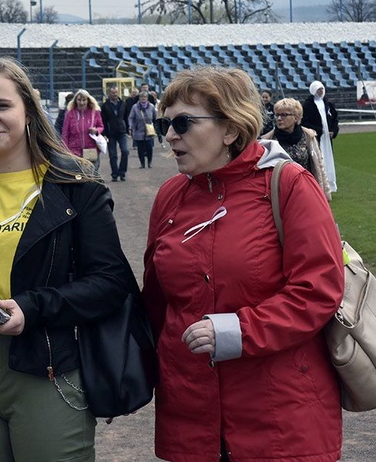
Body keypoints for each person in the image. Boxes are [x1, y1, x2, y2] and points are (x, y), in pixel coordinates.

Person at [0, 56, 138, 461]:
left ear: (27, 110)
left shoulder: (77, 185)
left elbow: (110, 283)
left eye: (1, 106)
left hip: (48, 362)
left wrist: (31, 306)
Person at [143, 66, 344, 461]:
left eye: (182, 122)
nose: (169, 135)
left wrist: (237, 331)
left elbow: (318, 290)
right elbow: (155, 302)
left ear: (231, 129)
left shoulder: (289, 185)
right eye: (163, 123)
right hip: (189, 415)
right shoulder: (170, 196)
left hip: (279, 414)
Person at [261, 97, 332, 201]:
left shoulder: (309, 136)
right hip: (279, 194)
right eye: (277, 115)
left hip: (305, 190)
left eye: (284, 115)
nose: (279, 118)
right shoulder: (268, 141)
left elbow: (319, 165)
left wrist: (325, 193)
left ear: (296, 117)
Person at [301, 81, 338, 192]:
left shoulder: (328, 104)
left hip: (327, 138)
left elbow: (334, 119)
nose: (321, 91)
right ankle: (318, 185)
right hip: (316, 137)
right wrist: (317, 130)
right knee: (317, 160)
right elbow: (305, 122)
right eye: (318, 89)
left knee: (328, 159)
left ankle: (329, 185)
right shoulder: (308, 105)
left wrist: (333, 131)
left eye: (322, 89)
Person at [61, 89, 104, 172]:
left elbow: (101, 126)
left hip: (91, 149)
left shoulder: (95, 112)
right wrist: (65, 149)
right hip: (74, 150)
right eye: (79, 100)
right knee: (78, 175)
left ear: (88, 100)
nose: (82, 103)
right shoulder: (70, 114)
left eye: (84, 100)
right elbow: (65, 133)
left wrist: (96, 130)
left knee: (92, 174)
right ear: (76, 100)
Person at [100, 85, 129, 181]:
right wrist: (104, 133)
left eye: (116, 92)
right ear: (109, 94)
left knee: (125, 151)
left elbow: (126, 117)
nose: (115, 94)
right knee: (113, 155)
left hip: (122, 131)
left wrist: (128, 129)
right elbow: (103, 120)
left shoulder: (123, 104)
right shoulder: (105, 106)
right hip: (110, 133)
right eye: (113, 92)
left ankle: (122, 172)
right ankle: (115, 174)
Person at [128, 90, 157, 168]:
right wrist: (131, 127)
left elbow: (155, 117)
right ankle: (142, 163)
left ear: (147, 98)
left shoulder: (151, 106)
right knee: (140, 149)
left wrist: (156, 126)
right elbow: (131, 117)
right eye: (141, 97)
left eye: (145, 97)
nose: (143, 98)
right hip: (138, 130)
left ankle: (149, 162)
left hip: (149, 130)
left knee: (149, 148)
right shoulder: (135, 107)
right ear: (139, 98)